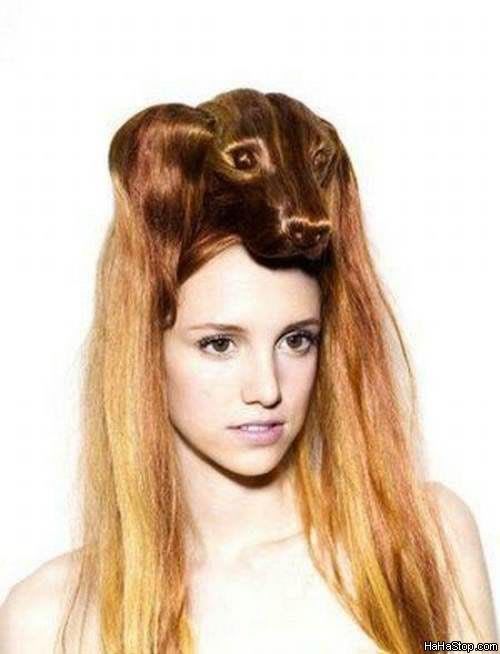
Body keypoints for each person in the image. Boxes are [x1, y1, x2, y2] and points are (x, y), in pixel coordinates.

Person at [0, 88, 497, 653]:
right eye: (219, 344)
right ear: (145, 350)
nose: (267, 388)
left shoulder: (429, 542)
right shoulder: (51, 622)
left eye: (296, 340)